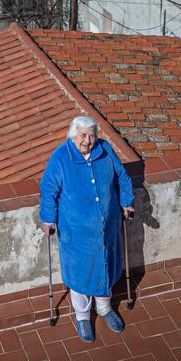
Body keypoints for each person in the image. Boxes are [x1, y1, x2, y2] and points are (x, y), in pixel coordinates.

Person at [39, 115, 135, 343]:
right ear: (73, 136)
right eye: (83, 135)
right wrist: (48, 219)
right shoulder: (61, 157)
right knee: (80, 273)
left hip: (107, 229)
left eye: (91, 135)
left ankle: (104, 308)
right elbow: (49, 190)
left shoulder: (105, 149)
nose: (88, 140)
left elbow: (122, 176)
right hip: (77, 232)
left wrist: (126, 201)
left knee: (105, 267)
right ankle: (82, 316)